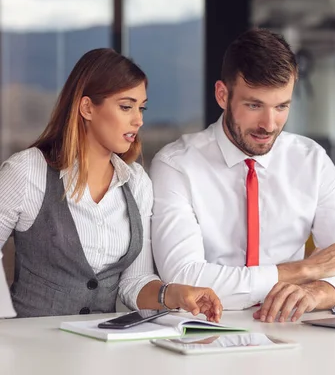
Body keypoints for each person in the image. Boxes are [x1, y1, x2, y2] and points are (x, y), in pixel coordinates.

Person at [151, 29, 335, 323]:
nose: (269, 125)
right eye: (254, 105)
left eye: (281, 106)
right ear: (223, 95)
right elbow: (185, 278)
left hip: (290, 332)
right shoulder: (176, 165)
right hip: (204, 331)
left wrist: (315, 293)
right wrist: (305, 270)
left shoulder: (311, 161)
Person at [0, 48, 222, 320]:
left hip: (100, 349)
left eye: (141, 108)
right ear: (87, 107)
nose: (138, 119)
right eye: (126, 107)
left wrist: (175, 294)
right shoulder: (28, 171)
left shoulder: (136, 182)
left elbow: (134, 281)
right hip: (31, 347)